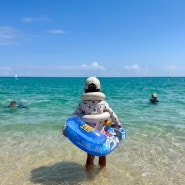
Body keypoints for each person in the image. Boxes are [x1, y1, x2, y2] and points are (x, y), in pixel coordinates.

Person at [63, 77, 122, 169]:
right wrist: (118, 124)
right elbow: (112, 114)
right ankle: (102, 172)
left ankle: (89, 173)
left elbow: (73, 117)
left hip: (89, 136)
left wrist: (65, 128)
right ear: (99, 90)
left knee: (90, 156)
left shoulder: (82, 105)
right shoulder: (103, 104)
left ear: (85, 90)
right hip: (101, 136)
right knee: (103, 154)